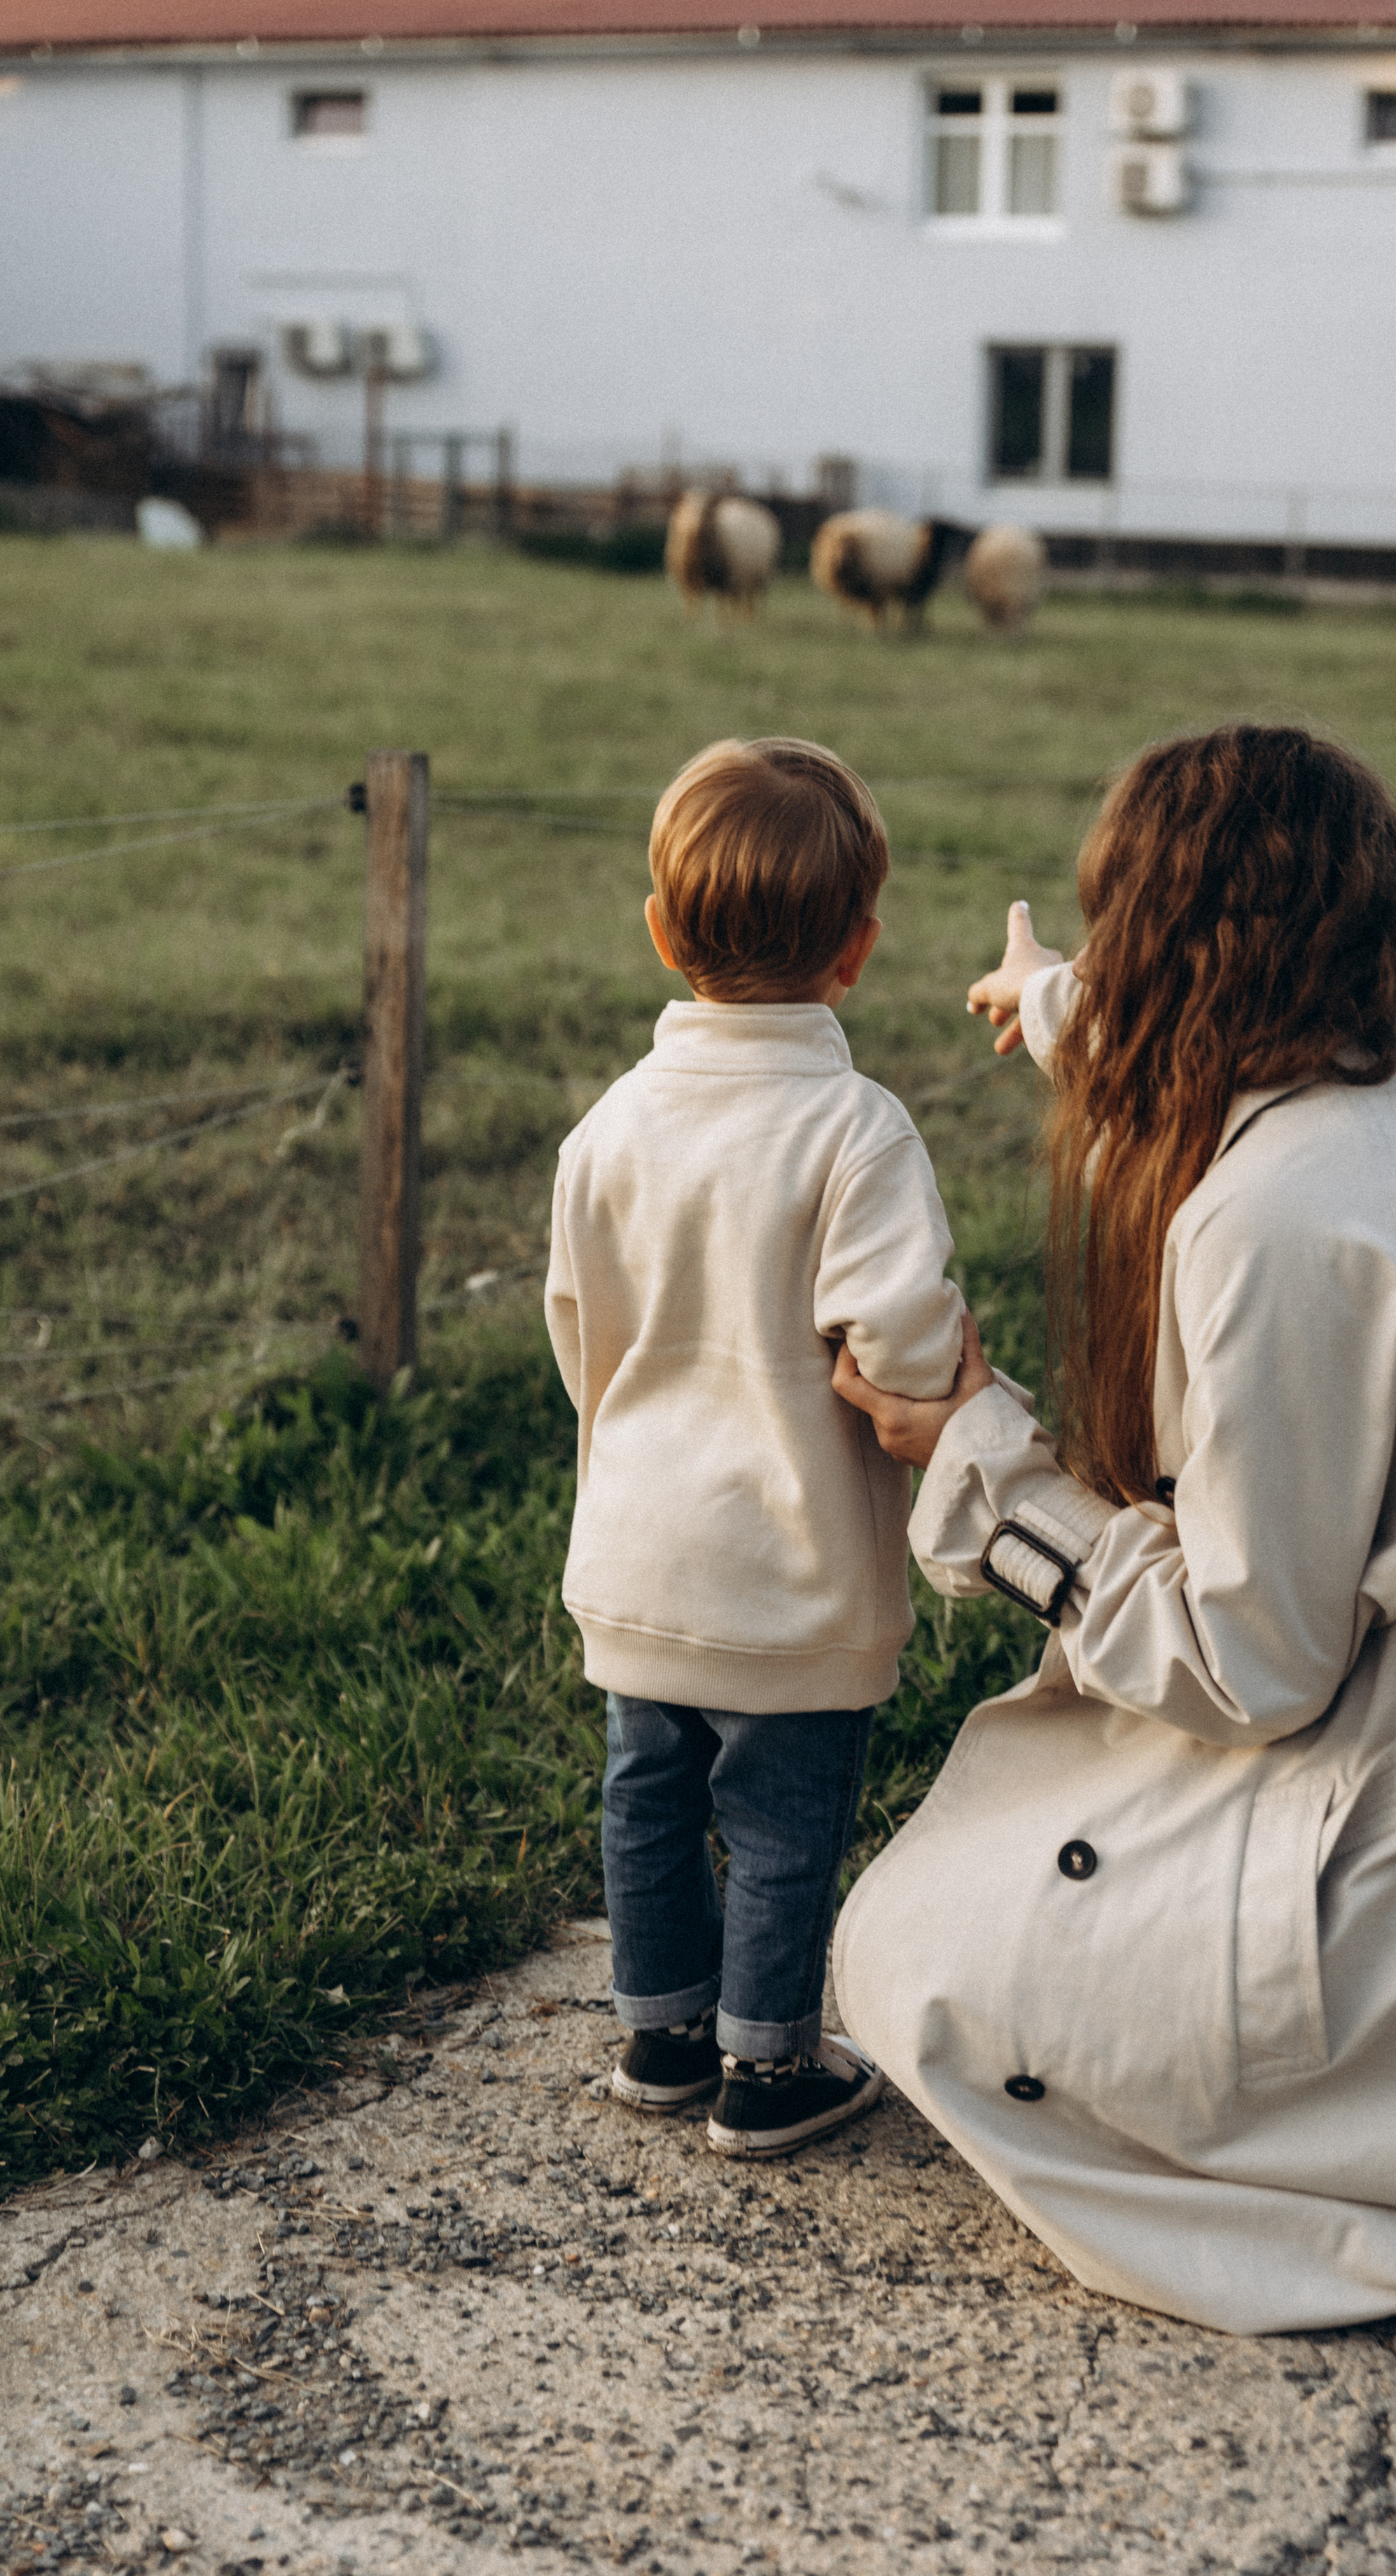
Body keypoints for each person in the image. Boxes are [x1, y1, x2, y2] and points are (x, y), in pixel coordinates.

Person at [830, 723, 1396, 2336]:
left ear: (1174, 946)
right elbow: (1218, 1099)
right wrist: (1057, 1005)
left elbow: (1248, 1664)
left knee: (912, 1962)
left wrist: (983, 1471)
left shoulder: (1278, 1215)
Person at [544, 736, 965, 2158]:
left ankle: (658, 2033)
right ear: (855, 952)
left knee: (646, 1797)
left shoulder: (607, 1129)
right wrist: (927, 1388)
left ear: (661, 935)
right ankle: (767, 2068)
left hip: (637, 1547)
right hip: (786, 1562)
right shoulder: (852, 1132)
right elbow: (898, 1335)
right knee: (782, 1820)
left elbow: (573, 1328)